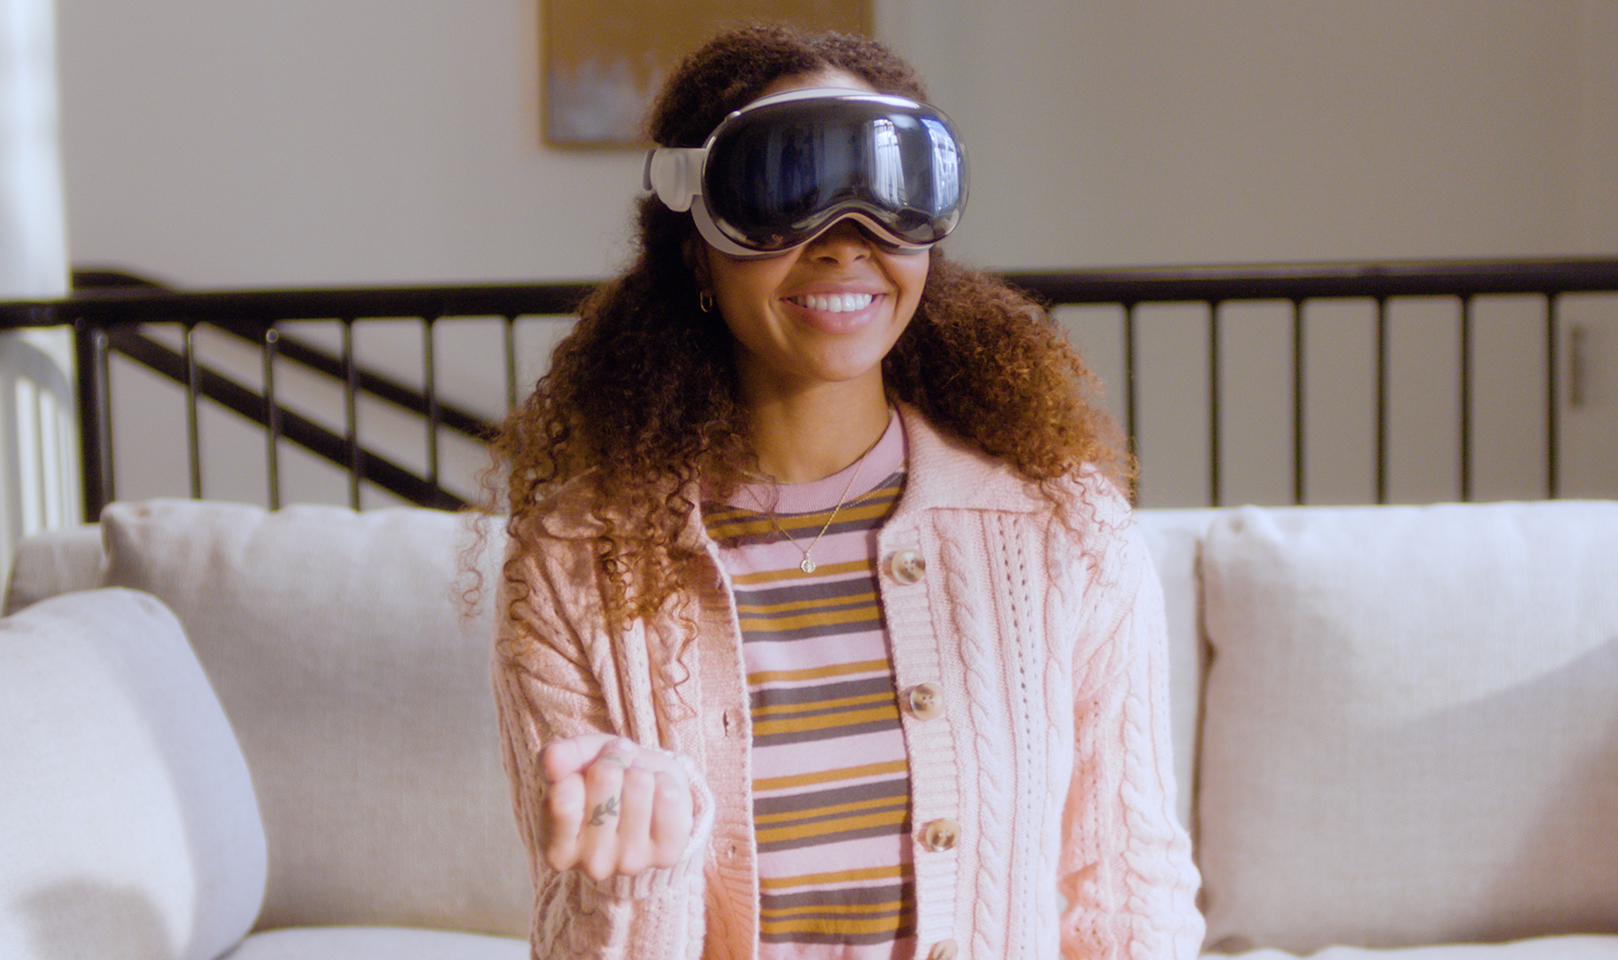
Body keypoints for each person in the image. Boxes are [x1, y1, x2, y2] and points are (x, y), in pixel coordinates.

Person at [490, 22, 1203, 960]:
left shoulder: (1065, 532)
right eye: (786, 188)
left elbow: (1128, 902)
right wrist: (632, 882)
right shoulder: (574, 563)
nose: (845, 245)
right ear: (696, 242)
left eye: (890, 196)